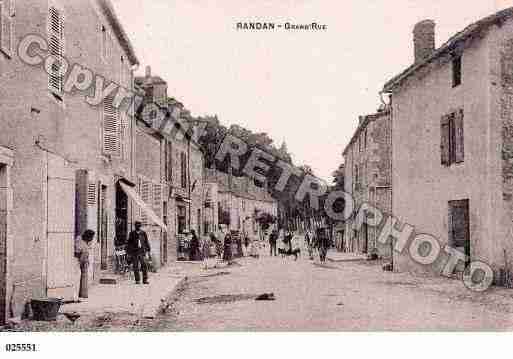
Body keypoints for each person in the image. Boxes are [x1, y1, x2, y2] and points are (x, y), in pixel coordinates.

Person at [74, 229, 95, 299]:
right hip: (79, 261)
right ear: (88, 237)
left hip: (75, 259)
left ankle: (80, 294)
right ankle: (80, 295)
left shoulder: (78, 238)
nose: (92, 239)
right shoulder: (84, 246)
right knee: (80, 278)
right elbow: (82, 259)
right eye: (91, 237)